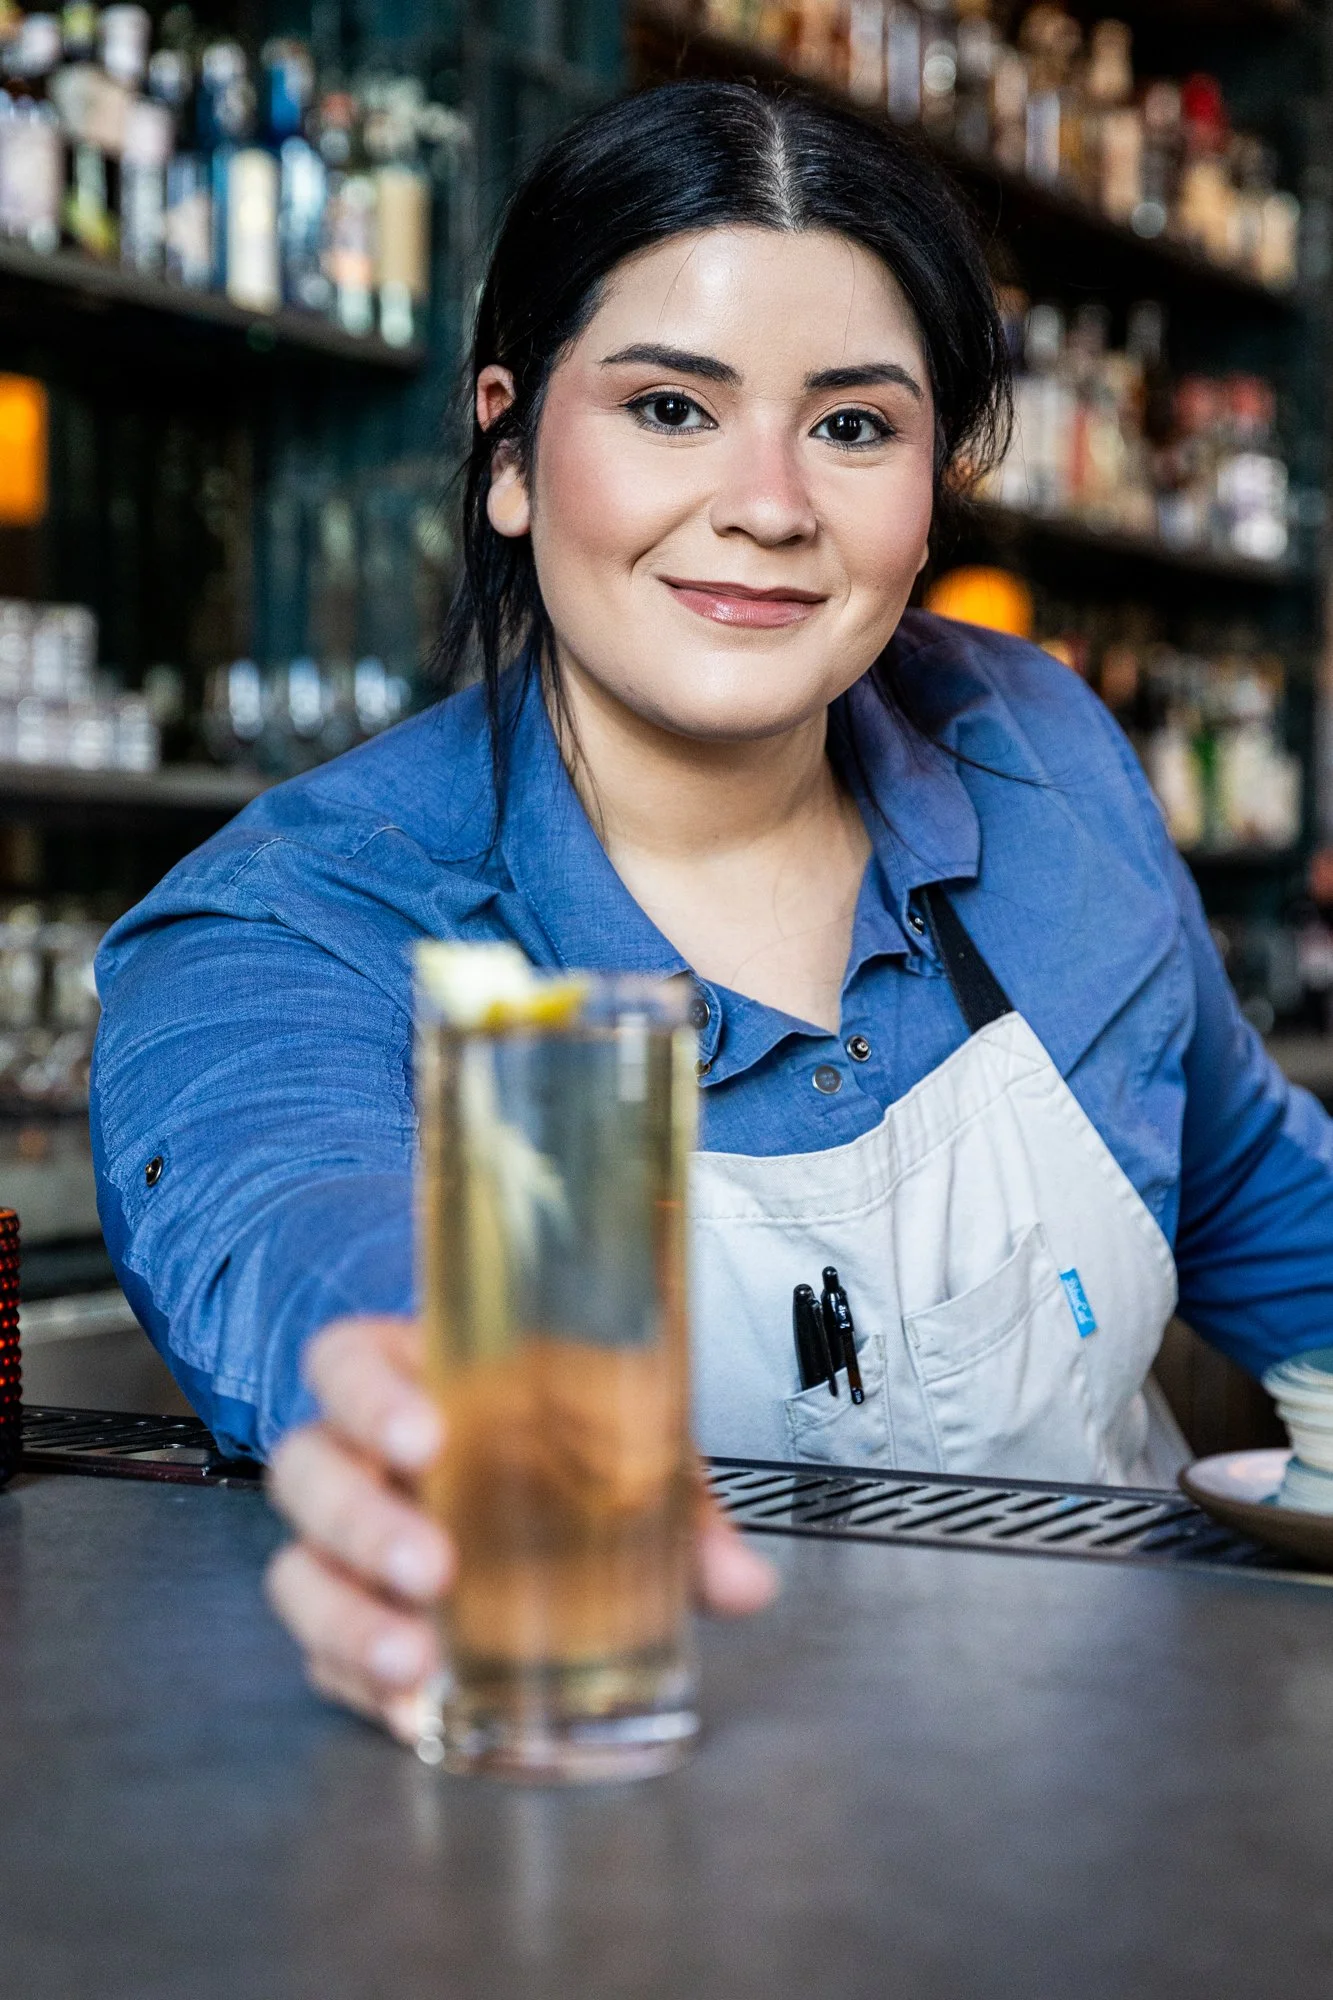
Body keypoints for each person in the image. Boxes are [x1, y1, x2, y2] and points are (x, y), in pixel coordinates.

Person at [93, 80, 1333, 1739]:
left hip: (1139, 1815)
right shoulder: (294, 922)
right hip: (612, 1846)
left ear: (932, 486)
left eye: (852, 425)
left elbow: (1262, 1206)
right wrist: (431, 1413)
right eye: (672, 409)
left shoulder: (1037, 757)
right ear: (513, 452)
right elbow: (303, 1219)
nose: (768, 502)